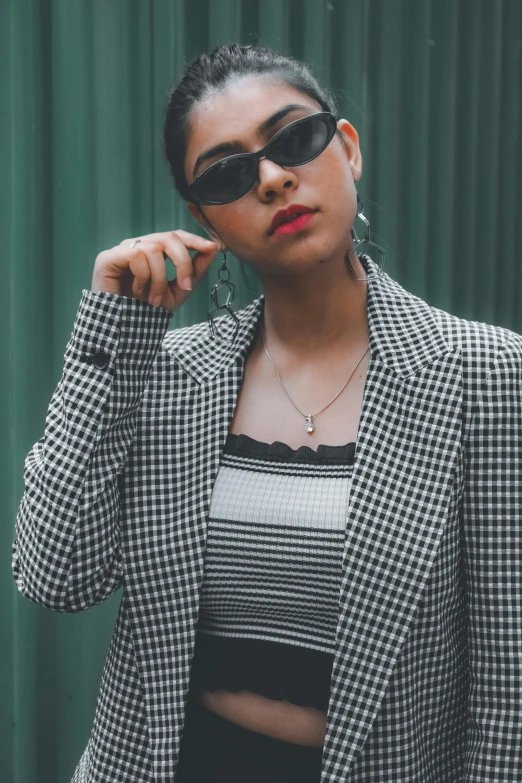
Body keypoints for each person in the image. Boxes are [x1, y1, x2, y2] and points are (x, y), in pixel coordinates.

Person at [12, 42, 522, 783]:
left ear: (346, 149)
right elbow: (58, 574)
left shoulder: (487, 374)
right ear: (203, 216)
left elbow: (509, 693)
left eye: (295, 140)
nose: (275, 178)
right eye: (227, 172)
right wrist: (110, 341)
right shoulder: (173, 375)